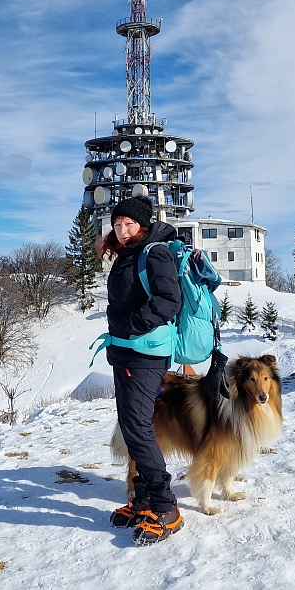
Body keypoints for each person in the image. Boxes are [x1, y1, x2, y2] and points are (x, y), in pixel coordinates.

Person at [97, 195, 184, 546]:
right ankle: (144, 499)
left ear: (142, 225)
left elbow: (168, 301)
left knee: (137, 427)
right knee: (136, 427)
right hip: (128, 352)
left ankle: (166, 507)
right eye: (117, 224)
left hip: (144, 353)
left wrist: (131, 326)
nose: (121, 229)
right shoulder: (129, 253)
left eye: (128, 223)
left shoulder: (154, 252)